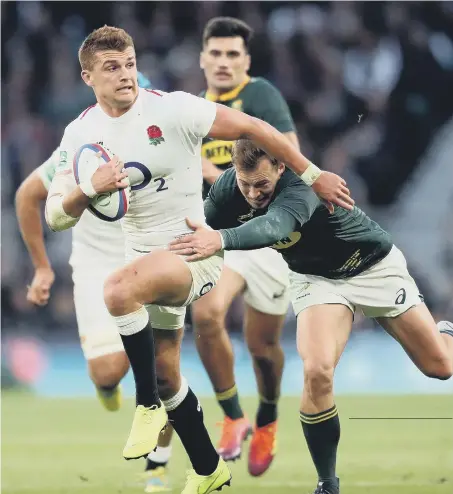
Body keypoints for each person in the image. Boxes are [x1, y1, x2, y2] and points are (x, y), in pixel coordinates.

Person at [45, 25, 353, 494]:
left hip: (193, 252)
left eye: (129, 64)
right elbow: (55, 214)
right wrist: (90, 189)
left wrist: (311, 174)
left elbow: (255, 128)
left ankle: (145, 405)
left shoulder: (174, 109)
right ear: (87, 76)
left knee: (116, 290)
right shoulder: (81, 132)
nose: (126, 75)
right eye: (112, 68)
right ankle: (210, 469)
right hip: (145, 258)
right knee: (170, 375)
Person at [169, 139, 453, 494]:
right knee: (317, 370)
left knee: (440, 367)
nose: (254, 193)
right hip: (317, 281)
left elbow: (272, 228)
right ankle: (327, 482)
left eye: (262, 184)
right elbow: (197, 227)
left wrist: (220, 239)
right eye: (246, 184)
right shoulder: (230, 189)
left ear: (281, 167)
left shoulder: (301, 188)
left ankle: (446, 332)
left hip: (372, 267)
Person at [145, 16, 299, 490]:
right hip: (217, 237)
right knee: (207, 314)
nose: (225, 62)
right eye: (217, 53)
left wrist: (222, 179)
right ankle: (232, 416)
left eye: (234, 54)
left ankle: (268, 416)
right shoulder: (192, 110)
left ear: (246, 62)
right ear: (203, 59)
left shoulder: (261, 98)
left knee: (263, 348)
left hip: (265, 235)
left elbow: (290, 155)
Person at [15, 71, 152, 413]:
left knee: (162, 355)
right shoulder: (82, 152)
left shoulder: (167, 143)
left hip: (149, 259)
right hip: (97, 264)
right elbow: (27, 196)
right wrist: (42, 267)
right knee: (105, 372)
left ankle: (159, 458)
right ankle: (108, 385)